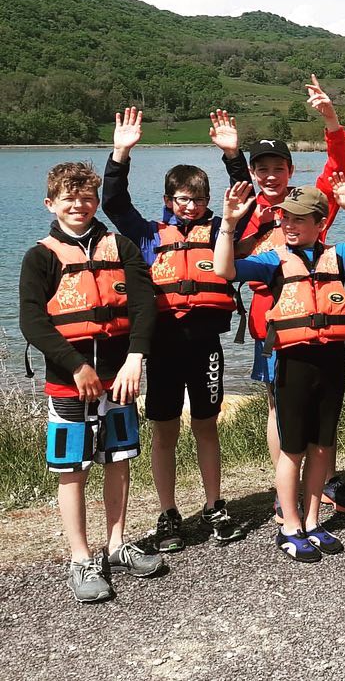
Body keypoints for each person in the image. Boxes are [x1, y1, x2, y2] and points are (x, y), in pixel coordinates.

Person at [215, 177, 345, 562]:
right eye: (284, 219)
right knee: (292, 450)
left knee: (322, 447)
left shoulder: (338, 255)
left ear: (318, 223)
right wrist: (228, 223)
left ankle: (311, 521)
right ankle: (289, 526)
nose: (288, 226)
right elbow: (225, 270)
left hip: (330, 361)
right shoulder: (272, 261)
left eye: (297, 219)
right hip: (292, 364)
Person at [101, 107, 245, 551]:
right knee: (163, 431)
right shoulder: (147, 235)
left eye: (197, 199)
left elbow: (248, 200)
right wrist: (120, 154)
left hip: (206, 347)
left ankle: (215, 505)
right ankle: (167, 513)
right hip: (162, 347)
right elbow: (113, 205)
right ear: (168, 200)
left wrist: (233, 155)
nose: (190, 206)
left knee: (206, 425)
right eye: (182, 198)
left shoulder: (222, 230)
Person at [20, 162, 163, 602]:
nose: (79, 206)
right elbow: (33, 322)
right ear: (52, 204)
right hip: (69, 383)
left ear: (96, 201)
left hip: (119, 376)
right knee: (72, 469)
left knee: (119, 457)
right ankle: (81, 557)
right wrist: (75, 365)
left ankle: (117, 544)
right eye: (69, 199)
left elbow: (144, 305)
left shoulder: (118, 246)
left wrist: (136, 358)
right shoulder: (40, 256)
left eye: (86, 198)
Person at [235, 77, 345, 515]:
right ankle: (284, 483)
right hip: (274, 325)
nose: (270, 175)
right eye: (262, 169)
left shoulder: (311, 205)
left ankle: (325, 481)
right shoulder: (246, 215)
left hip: (319, 328)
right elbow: (230, 262)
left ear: (290, 170)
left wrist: (331, 120)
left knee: (323, 410)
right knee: (277, 407)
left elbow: (338, 165)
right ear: (253, 173)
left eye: (278, 168)